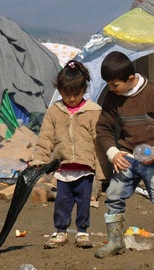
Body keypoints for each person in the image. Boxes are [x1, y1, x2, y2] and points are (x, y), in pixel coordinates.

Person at [94, 51, 154, 261]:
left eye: (115, 84)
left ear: (131, 79)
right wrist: (113, 152)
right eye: (108, 84)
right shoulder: (112, 98)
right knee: (114, 196)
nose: (111, 89)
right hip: (126, 156)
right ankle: (115, 241)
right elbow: (104, 129)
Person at [33, 60, 102, 249]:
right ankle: (60, 232)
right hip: (63, 168)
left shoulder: (93, 111)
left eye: (76, 94)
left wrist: (102, 171)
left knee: (83, 202)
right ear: (60, 91)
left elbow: (99, 142)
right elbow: (45, 137)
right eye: (66, 94)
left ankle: (82, 233)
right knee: (62, 202)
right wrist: (40, 159)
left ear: (84, 90)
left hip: (85, 169)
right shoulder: (55, 111)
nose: (71, 99)